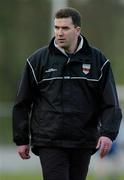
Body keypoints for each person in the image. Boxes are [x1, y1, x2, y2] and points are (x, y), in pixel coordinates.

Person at [12, 7, 122, 180]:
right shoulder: (37, 60)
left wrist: (108, 133)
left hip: (83, 140)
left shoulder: (98, 61)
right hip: (50, 141)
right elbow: (22, 103)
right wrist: (21, 138)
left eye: (65, 28)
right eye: (57, 27)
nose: (59, 33)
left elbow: (111, 103)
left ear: (77, 30)